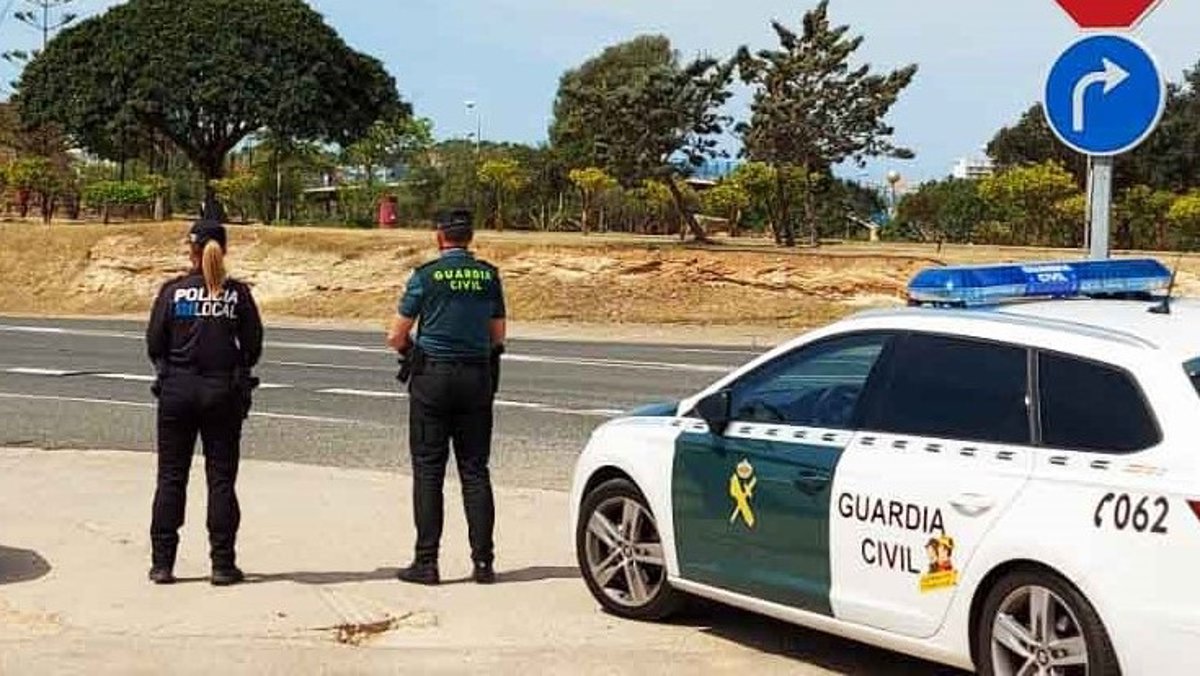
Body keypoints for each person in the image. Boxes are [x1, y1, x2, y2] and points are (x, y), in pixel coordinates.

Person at [387, 208, 506, 586]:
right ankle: (483, 563)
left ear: (439, 236)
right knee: (475, 471)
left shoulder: (426, 276)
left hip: (433, 378)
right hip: (476, 377)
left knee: (428, 471)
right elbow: (498, 335)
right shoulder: (488, 276)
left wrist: (412, 351)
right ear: (470, 237)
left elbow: (395, 335)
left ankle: (427, 562)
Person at [145, 220, 263, 586]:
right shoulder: (237, 294)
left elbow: (154, 343)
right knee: (221, 479)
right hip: (221, 392)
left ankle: (163, 563)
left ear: (192, 250)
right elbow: (253, 346)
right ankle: (223, 564)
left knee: (171, 477)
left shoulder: (173, 291)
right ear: (224, 250)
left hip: (177, 391)